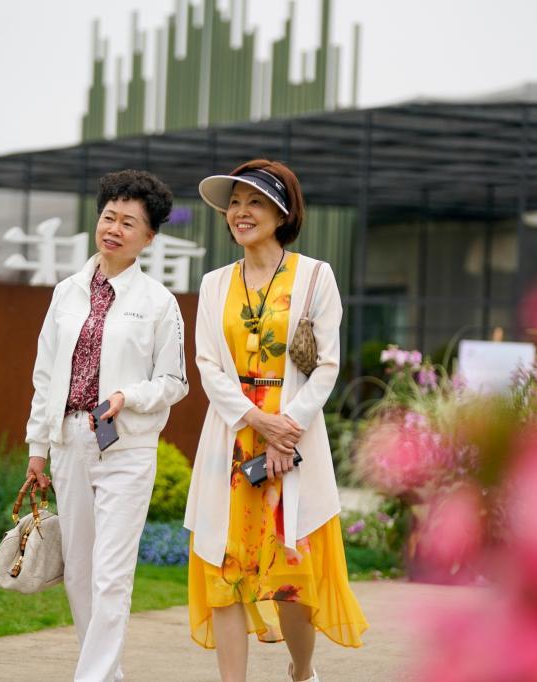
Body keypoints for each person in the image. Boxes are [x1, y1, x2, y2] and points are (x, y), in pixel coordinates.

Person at [185, 159, 368, 682]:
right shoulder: (215, 284)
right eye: (234, 204)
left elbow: (326, 364)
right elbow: (207, 364)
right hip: (231, 436)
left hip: (294, 437)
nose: (241, 213)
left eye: (255, 203)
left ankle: (302, 671)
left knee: (291, 572)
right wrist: (255, 420)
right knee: (225, 570)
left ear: (283, 213)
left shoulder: (315, 276)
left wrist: (285, 429)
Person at [24, 169, 188, 682]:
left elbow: (175, 381)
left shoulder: (159, 302)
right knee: (79, 572)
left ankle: (90, 678)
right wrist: (37, 448)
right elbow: (45, 374)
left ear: (149, 237)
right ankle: (106, 675)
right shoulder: (66, 293)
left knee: (111, 574)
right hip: (70, 441)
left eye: (129, 222)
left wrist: (127, 396)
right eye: (109, 217)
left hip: (127, 447)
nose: (114, 229)